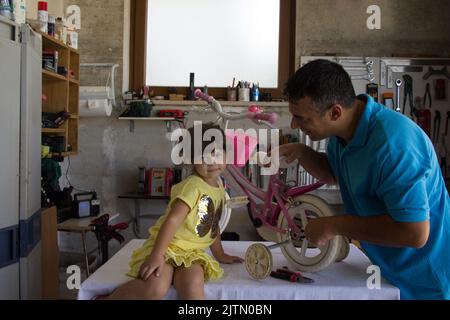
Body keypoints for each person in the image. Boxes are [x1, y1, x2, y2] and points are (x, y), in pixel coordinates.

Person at [278, 59, 449, 300]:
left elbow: (414, 233)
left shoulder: (394, 146)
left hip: (426, 283)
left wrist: (334, 225)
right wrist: (302, 152)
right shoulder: (343, 132)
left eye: (302, 118)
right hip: (388, 273)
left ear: (335, 112)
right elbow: (336, 173)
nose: (295, 124)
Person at [106, 123, 243, 300]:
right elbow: (171, 221)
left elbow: (212, 224)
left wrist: (220, 254)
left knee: (193, 284)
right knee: (155, 288)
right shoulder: (192, 187)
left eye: (216, 153)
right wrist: (157, 256)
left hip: (191, 254)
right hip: (167, 248)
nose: (211, 161)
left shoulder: (218, 186)